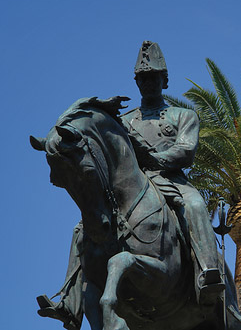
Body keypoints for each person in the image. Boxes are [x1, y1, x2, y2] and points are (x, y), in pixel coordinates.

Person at [37, 41, 224, 330]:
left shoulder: (181, 116)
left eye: (153, 78)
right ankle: (68, 302)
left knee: (196, 205)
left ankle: (207, 275)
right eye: (142, 79)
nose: (148, 84)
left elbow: (186, 151)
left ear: (164, 80)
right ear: (136, 82)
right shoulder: (124, 121)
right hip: (129, 188)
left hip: (168, 180)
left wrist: (156, 158)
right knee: (81, 230)